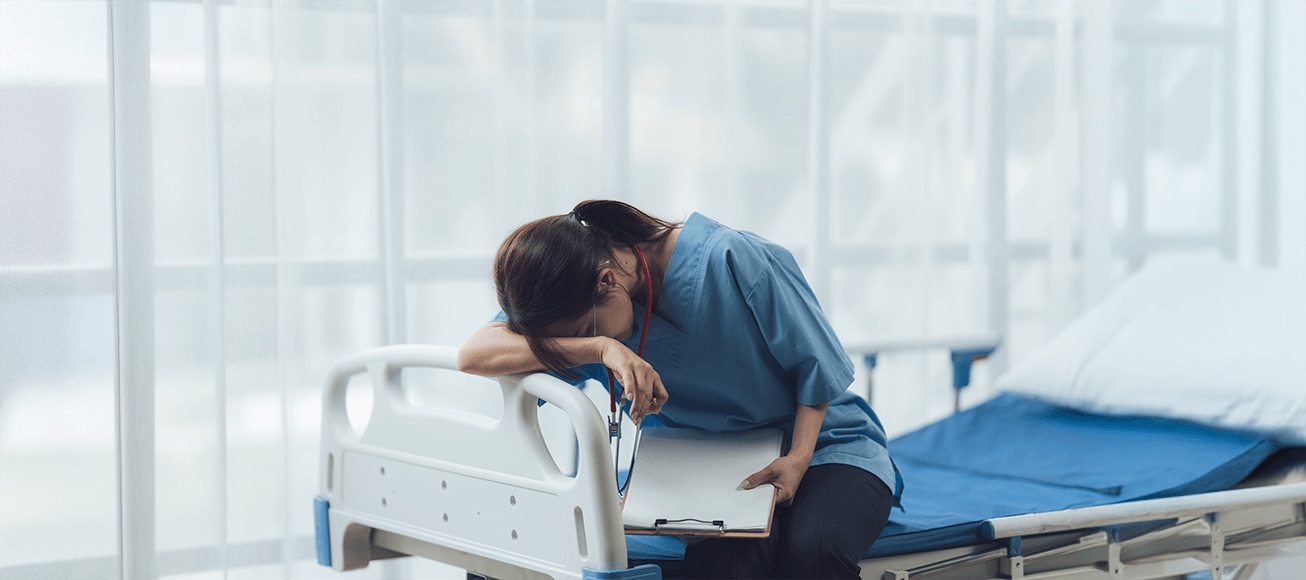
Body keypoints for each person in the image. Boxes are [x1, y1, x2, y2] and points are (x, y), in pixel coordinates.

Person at [458, 200, 901, 579]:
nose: (574, 345)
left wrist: (798, 459)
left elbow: (816, 366)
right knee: (727, 566)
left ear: (607, 281)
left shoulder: (733, 258)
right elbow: (474, 353)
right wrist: (599, 346)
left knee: (815, 553)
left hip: (826, 446)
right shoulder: (576, 303)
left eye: (580, 331)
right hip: (714, 466)